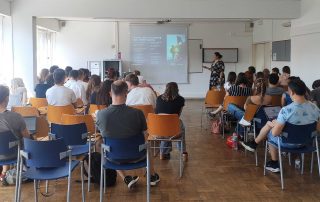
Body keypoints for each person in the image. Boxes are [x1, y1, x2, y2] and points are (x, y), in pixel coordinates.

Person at [241, 79, 320, 172]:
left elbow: (275, 133)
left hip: (288, 143)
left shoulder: (286, 110)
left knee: (270, 133)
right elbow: (318, 129)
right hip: (307, 143)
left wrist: (275, 125)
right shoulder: (315, 108)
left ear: (292, 92)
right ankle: (255, 144)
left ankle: (274, 163)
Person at [96, 80, 160, 189]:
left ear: (110, 94)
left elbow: (101, 136)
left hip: (112, 158)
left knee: (105, 145)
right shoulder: (138, 113)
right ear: (126, 93)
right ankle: (152, 176)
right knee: (147, 144)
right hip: (138, 156)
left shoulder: (101, 115)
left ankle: (126, 178)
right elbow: (145, 137)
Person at [0, 85, 30, 181]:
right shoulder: (16, 116)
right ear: (7, 98)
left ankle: (4, 173)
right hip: (14, 154)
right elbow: (27, 138)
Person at [155, 82, 187, 160]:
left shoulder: (158, 98)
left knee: (166, 129)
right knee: (180, 128)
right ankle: (183, 152)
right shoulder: (181, 99)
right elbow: (178, 115)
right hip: (173, 126)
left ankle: (163, 152)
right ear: (177, 89)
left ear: (166, 89)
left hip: (159, 127)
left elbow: (157, 112)